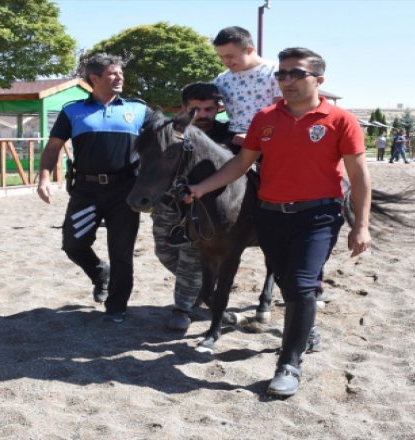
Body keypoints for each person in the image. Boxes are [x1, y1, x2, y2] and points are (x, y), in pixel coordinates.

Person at [185, 47, 372, 397]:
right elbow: (240, 164)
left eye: (295, 74)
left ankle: (288, 364)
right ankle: (306, 328)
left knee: (300, 284)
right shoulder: (265, 118)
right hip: (271, 215)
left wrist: (361, 225)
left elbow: (359, 176)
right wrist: (200, 188)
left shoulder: (340, 120)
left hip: (318, 215)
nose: (286, 81)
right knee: (287, 281)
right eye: (281, 74)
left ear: (318, 79)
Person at [36, 53, 150, 324]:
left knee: (121, 252)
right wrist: (43, 179)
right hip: (86, 191)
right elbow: (53, 147)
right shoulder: (73, 111)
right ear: (94, 78)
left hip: (125, 191)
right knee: (73, 244)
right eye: (113, 73)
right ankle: (100, 274)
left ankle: (117, 306)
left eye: (121, 72)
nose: (119, 77)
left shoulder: (139, 110)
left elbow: (167, 137)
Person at [153, 82, 232, 331]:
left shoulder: (229, 133)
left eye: (209, 109)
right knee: (164, 252)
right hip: (168, 204)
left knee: (190, 255)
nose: (203, 115)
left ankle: (183, 309)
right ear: (184, 108)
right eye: (196, 109)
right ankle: (203, 288)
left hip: (206, 209)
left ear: (218, 108)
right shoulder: (170, 132)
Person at [211, 26, 282, 148]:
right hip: (232, 139)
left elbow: (282, 113)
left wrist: (252, 135)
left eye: (229, 56)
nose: (225, 62)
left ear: (249, 50)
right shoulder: (221, 80)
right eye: (221, 57)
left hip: (269, 139)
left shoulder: (276, 72)